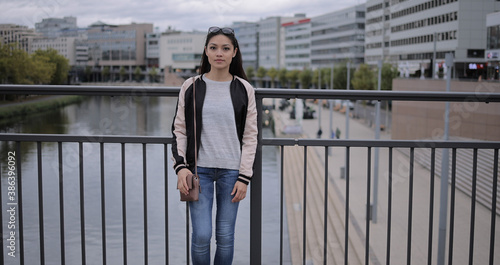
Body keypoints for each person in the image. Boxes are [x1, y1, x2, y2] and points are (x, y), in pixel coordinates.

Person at [171, 26, 258, 265]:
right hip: (198, 173)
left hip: (232, 173)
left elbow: (251, 136)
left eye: (225, 48)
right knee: (201, 235)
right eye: (213, 48)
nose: (219, 53)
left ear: (234, 53)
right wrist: (181, 167)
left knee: (225, 237)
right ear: (206, 52)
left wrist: (244, 177)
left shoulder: (244, 89)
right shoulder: (191, 86)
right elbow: (179, 129)